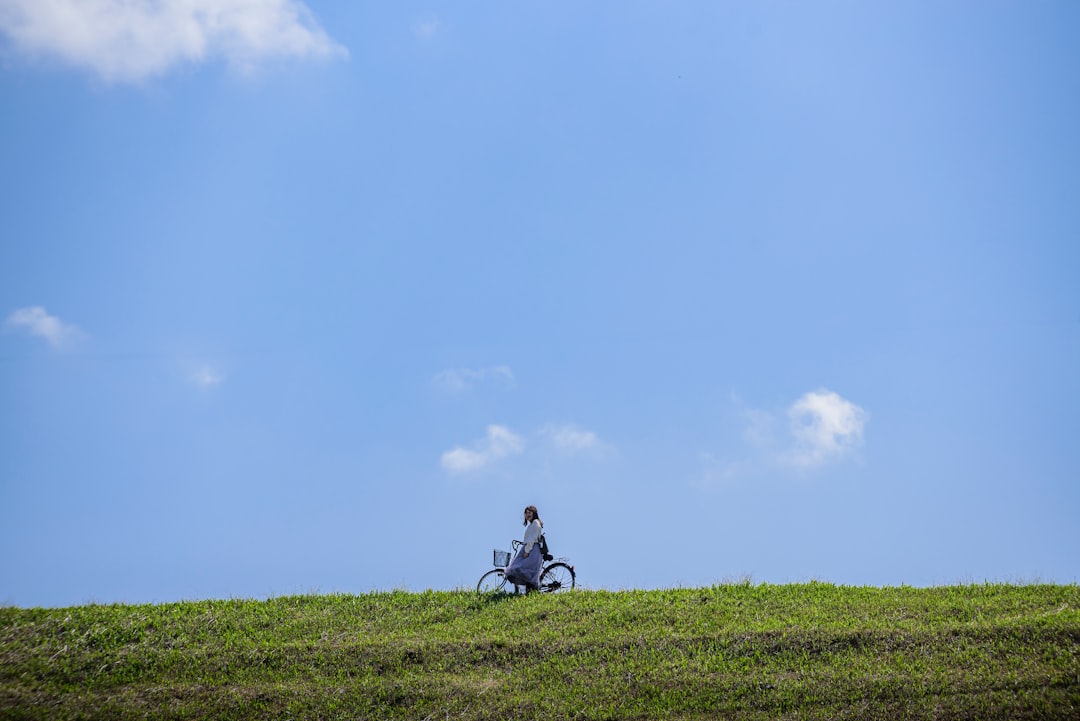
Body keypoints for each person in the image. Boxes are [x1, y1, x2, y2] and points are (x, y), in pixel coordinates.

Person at [503, 505, 544, 591]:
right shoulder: (532, 524)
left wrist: (527, 551)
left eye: (529, 512)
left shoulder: (536, 523)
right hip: (529, 548)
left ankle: (532, 590)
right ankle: (530, 592)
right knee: (522, 570)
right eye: (526, 513)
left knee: (520, 568)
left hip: (532, 550)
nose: (527, 515)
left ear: (534, 513)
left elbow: (532, 539)